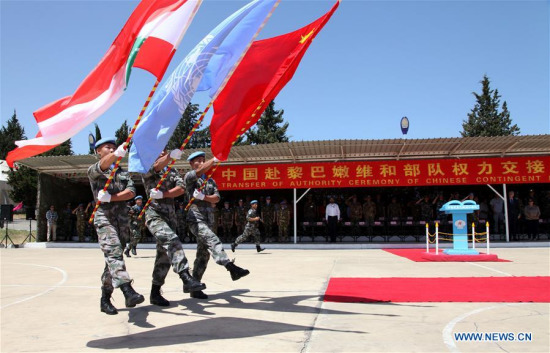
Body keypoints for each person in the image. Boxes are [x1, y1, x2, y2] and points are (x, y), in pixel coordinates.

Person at [141, 149, 206, 306]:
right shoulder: (147, 166)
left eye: (165, 149)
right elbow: (155, 168)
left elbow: (181, 188)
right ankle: (185, 276)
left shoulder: (172, 169)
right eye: (160, 148)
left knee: (164, 257)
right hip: (154, 216)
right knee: (172, 241)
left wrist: (163, 195)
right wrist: (169, 157)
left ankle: (155, 293)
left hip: (170, 218)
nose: (162, 150)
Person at [88, 137, 144, 315]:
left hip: (121, 222)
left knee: (112, 261)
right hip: (104, 219)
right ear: (98, 151)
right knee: (113, 252)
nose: (112, 150)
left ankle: (105, 299)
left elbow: (131, 192)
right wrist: (116, 154)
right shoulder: (94, 171)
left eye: (114, 148)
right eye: (107, 148)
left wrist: (112, 198)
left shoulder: (122, 173)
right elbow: (103, 165)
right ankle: (127, 290)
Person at [184, 151, 249, 300]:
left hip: (209, 220)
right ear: (191, 164)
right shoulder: (189, 177)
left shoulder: (210, 181)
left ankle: (195, 286)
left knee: (203, 256)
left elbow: (216, 198)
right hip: (196, 219)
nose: (201, 163)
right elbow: (199, 171)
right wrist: (214, 159)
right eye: (198, 161)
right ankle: (231, 267)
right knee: (213, 240)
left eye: (203, 160)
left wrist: (204, 197)